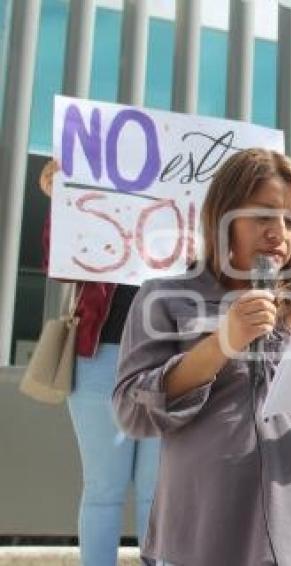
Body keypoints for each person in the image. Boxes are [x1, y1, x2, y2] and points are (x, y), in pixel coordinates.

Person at [111, 148, 291, 566]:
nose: (279, 233)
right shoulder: (164, 297)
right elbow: (132, 412)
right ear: (223, 217)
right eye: (263, 216)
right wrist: (222, 342)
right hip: (205, 531)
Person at [39, 159, 160, 566]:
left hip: (168, 366)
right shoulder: (102, 213)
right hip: (101, 360)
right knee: (104, 489)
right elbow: (58, 265)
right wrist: (63, 202)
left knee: (158, 489)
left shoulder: (182, 220)